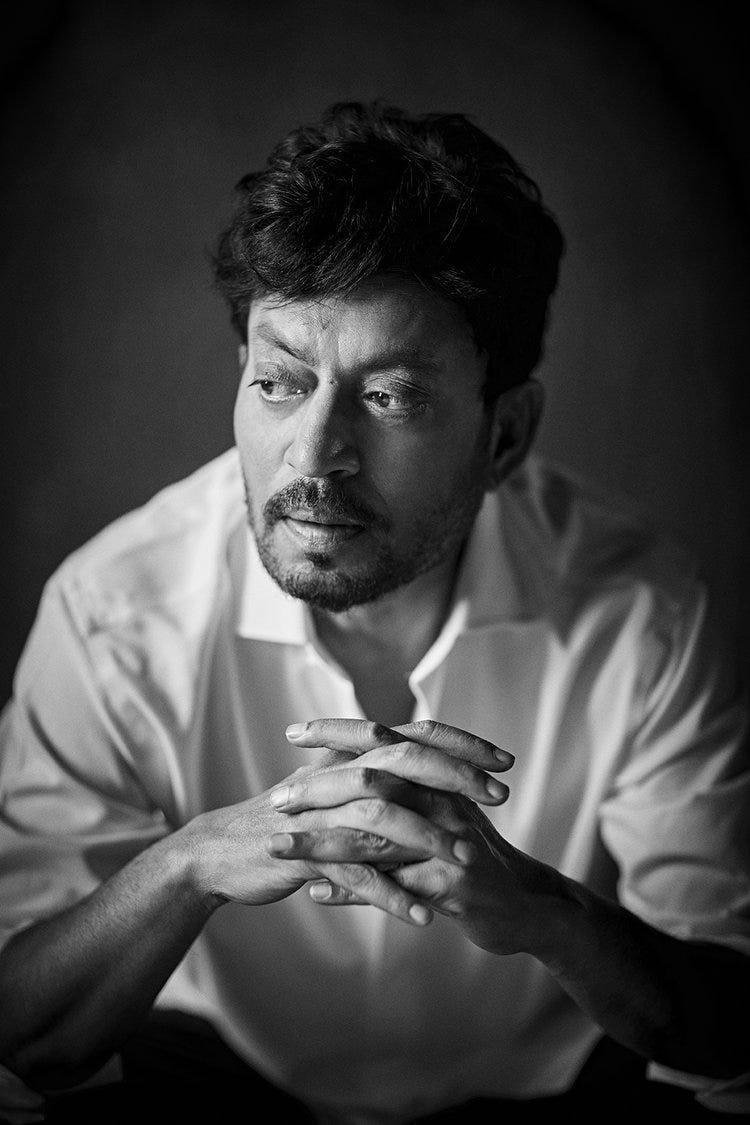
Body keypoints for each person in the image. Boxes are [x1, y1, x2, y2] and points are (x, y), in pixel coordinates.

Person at [0, 101, 748, 1125]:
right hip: (216, 1087)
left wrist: (547, 914)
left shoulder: (645, 613)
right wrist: (186, 865)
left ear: (504, 435)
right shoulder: (113, 613)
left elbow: (734, 1027)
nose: (312, 455)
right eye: (278, 381)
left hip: (553, 1098)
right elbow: (22, 1038)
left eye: (389, 396)